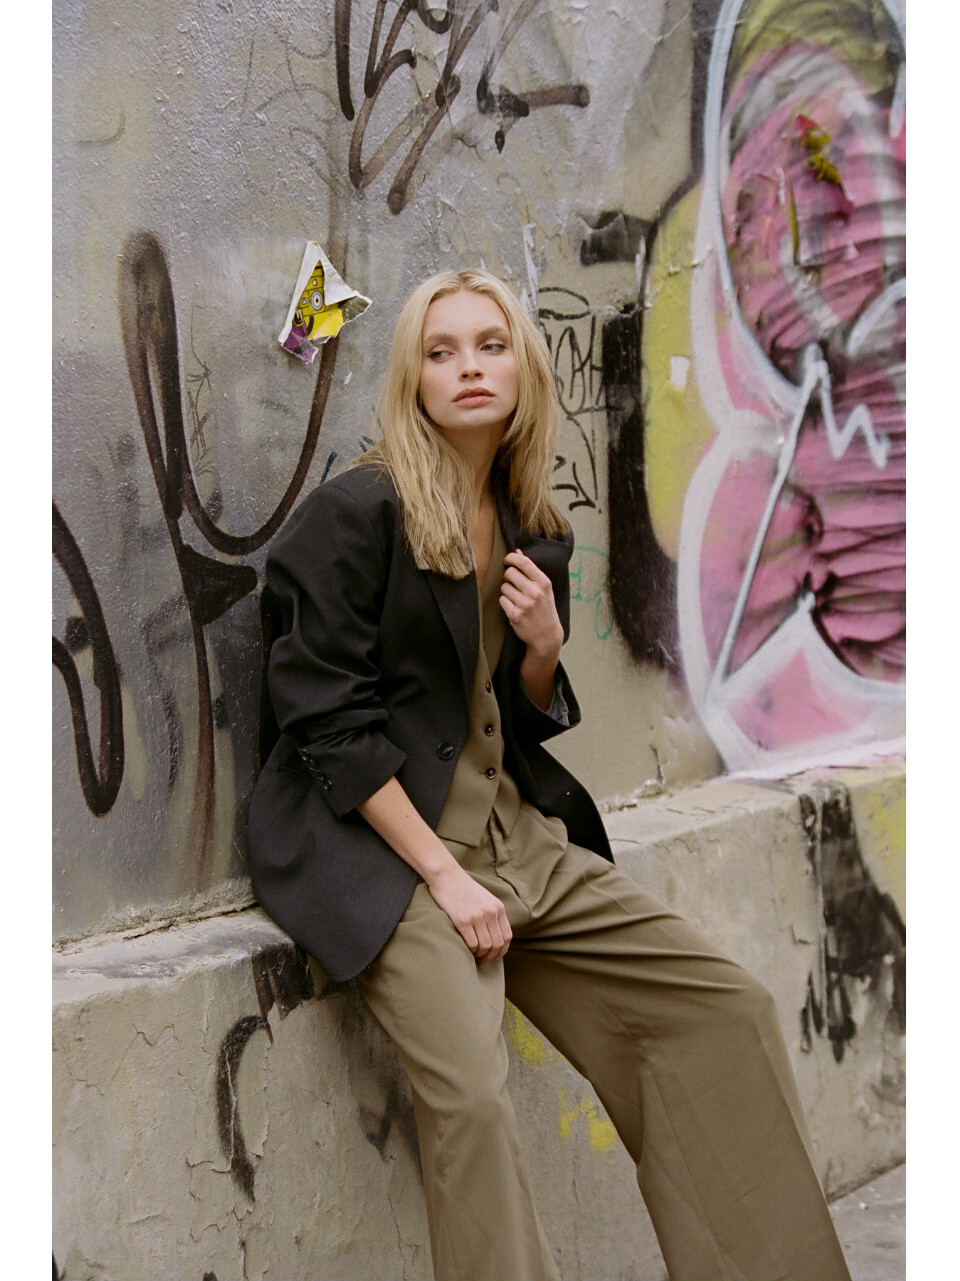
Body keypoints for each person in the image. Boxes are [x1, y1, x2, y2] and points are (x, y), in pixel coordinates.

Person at [247, 269, 852, 1281]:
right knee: (474, 1100)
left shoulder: (532, 518)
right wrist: (446, 878)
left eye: (491, 346)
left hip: (515, 836)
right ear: (411, 379)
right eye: (440, 352)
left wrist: (541, 649)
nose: (468, 368)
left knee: (721, 1011)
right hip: (387, 854)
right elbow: (327, 723)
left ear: (525, 368)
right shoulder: (353, 516)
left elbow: (508, 716)